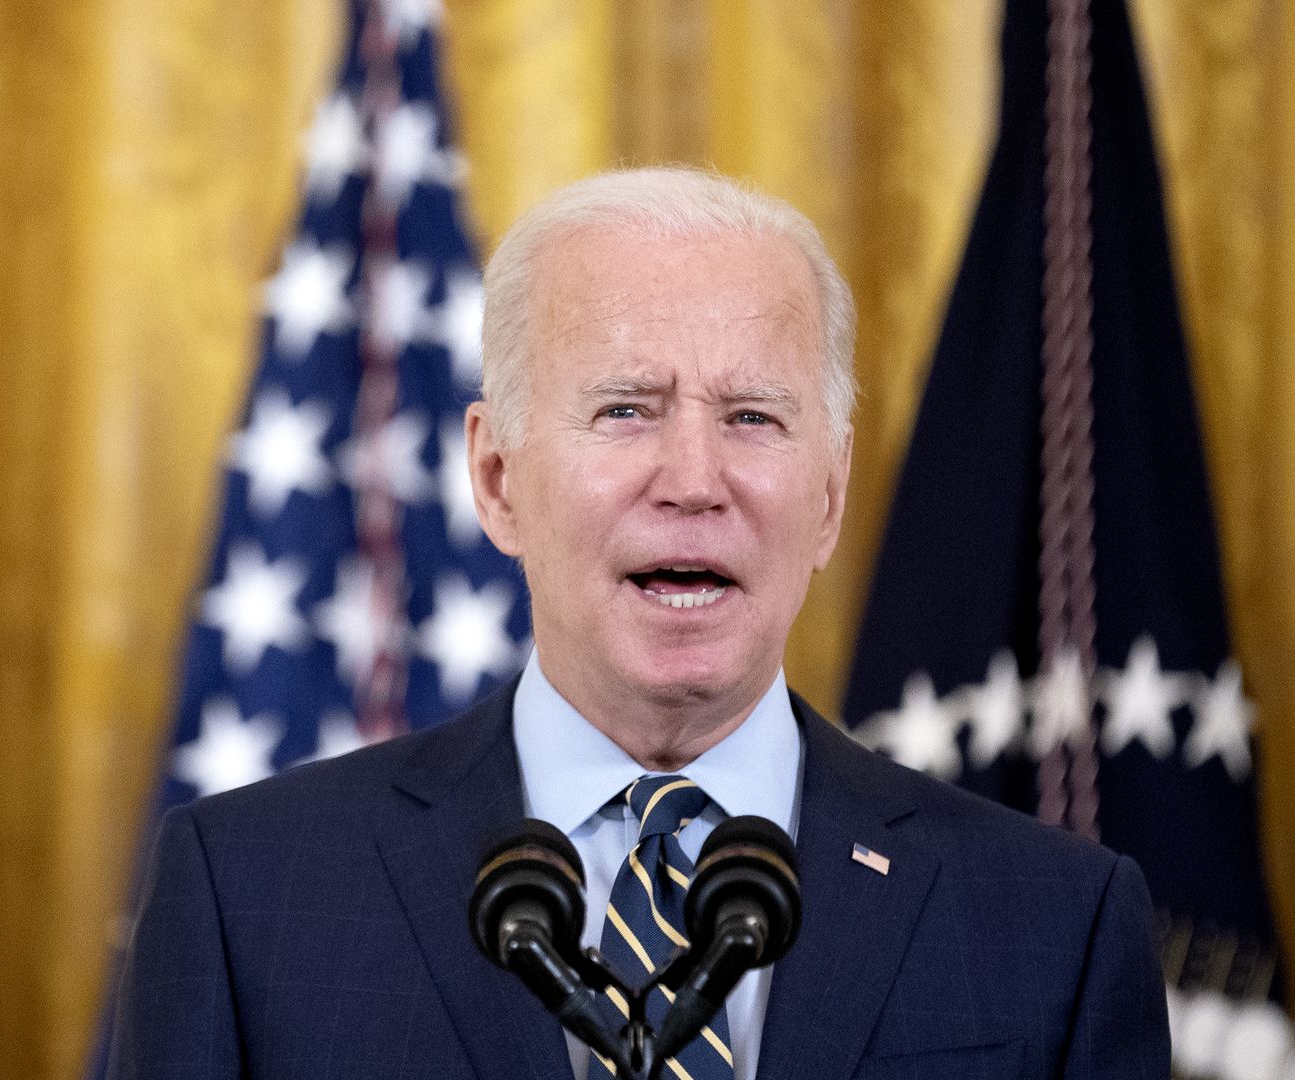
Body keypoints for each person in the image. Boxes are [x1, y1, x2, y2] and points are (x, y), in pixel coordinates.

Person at [107, 167, 1169, 1080]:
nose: (695, 481)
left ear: (830, 495)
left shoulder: (1055, 926)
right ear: (497, 477)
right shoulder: (246, 898)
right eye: (626, 409)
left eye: (753, 416)